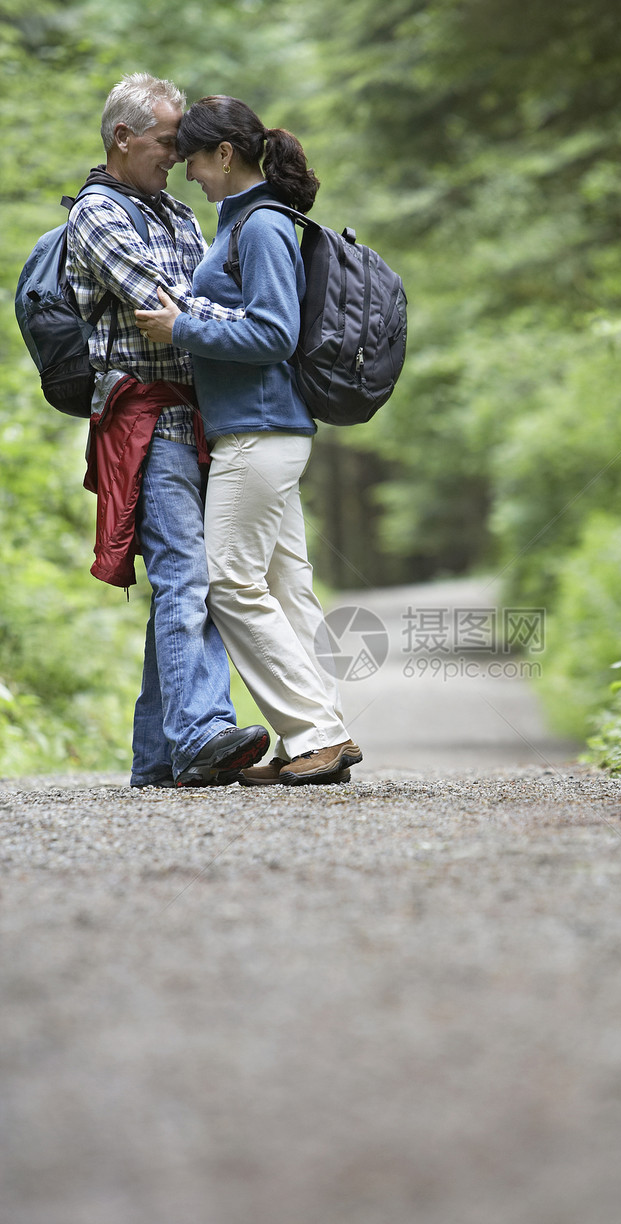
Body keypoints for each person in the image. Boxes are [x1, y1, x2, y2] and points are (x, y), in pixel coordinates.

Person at [133, 96, 362, 788]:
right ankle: (323, 736)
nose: (188, 174)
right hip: (266, 432)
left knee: (229, 582)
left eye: (195, 162)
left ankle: (317, 732)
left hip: (257, 433)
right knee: (286, 588)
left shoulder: (259, 227)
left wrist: (183, 330)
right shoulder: (244, 224)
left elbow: (273, 334)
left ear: (225, 156)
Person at [66, 74, 270, 787]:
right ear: (123, 138)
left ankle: (158, 757)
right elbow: (169, 302)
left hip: (196, 418)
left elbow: (205, 303)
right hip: (146, 420)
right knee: (187, 575)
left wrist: (229, 324)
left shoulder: (180, 215)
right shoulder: (97, 214)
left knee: (184, 579)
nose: (178, 154)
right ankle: (201, 732)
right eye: (164, 141)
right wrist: (258, 331)